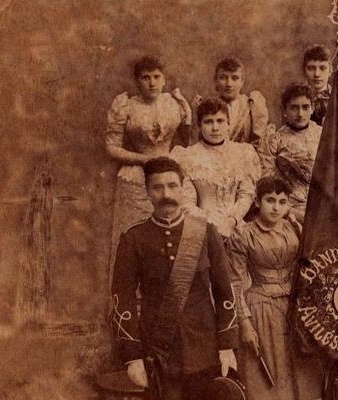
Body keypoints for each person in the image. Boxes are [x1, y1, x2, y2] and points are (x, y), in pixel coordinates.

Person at [110, 157, 239, 400]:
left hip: (202, 350)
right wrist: (132, 357)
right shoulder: (134, 239)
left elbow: (226, 292)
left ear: (183, 189)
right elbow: (121, 301)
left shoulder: (205, 232)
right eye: (157, 187)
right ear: (148, 192)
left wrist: (226, 345)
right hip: (158, 354)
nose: (166, 194)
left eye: (172, 186)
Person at [216, 176, 334, 400]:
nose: (276, 207)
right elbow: (234, 282)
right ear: (257, 202)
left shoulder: (294, 227)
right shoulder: (244, 235)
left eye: (282, 201)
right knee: (265, 380)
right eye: (270, 200)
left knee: (299, 377)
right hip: (259, 309)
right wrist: (244, 322)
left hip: (292, 312)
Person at [105, 56, 192, 268]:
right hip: (136, 177)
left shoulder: (174, 103)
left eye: (156, 77)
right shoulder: (126, 106)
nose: (152, 83)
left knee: (173, 233)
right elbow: (111, 147)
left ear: (164, 80)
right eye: (145, 78)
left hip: (170, 171)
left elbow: (188, 140)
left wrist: (189, 117)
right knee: (137, 235)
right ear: (137, 81)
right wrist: (144, 159)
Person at [170, 98, 261, 243]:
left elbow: (246, 194)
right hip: (201, 229)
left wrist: (232, 221)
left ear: (228, 124)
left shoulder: (243, 153)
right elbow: (187, 202)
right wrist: (213, 225)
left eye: (220, 121)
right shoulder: (188, 157)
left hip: (236, 226)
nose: (215, 128)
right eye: (208, 122)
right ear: (199, 126)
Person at [259, 82, 322, 224]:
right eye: (294, 108)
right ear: (284, 111)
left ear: (312, 108)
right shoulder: (274, 139)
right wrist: (288, 210)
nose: (300, 114)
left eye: (305, 107)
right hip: (289, 207)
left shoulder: (322, 134)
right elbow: (267, 180)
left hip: (322, 204)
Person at [194, 57, 269, 150]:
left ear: (242, 81)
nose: (229, 84)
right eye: (223, 78)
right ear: (216, 81)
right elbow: (197, 142)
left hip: (244, 160)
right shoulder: (206, 106)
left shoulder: (252, 105)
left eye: (235, 78)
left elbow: (259, 143)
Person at [302, 44, 332, 125]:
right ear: (304, 71)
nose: (317, 74)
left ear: (330, 71)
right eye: (311, 68)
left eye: (322, 68)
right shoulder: (297, 99)